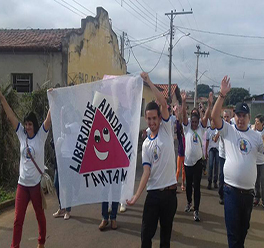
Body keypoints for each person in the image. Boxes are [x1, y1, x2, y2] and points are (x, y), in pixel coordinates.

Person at [211, 76, 264, 248]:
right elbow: (214, 116)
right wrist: (222, 95)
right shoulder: (229, 130)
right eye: (238, 115)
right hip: (231, 192)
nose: (241, 119)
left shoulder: (256, 137)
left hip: (248, 195)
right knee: (233, 235)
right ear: (234, 117)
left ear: (249, 117)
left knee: (243, 231)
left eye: (244, 115)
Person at [127, 72, 177, 248]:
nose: (151, 122)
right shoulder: (146, 144)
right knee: (146, 235)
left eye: (154, 118)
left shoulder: (167, 129)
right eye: (148, 118)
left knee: (165, 238)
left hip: (170, 194)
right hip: (153, 194)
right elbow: (146, 172)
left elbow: (163, 102)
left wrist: (148, 81)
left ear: (159, 118)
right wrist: (135, 196)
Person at [0, 90, 51, 248]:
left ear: (35, 125)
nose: (28, 127)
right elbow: (11, 116)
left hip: (35, 186)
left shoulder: (40, 136)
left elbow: (49, 119)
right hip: (22, 185)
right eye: (26, 124)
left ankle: (41, 242)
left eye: (30, 124)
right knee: (17, 219)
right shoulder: (22, 134)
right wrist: (2, 98)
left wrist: (53, 97)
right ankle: (15, 246)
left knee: (39, 216)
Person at [182, 91, 212, 222]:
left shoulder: (201, 128)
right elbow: (183, 115)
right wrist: (183, 102)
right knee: (188, 185)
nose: (194, 124)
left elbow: (205, 118)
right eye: (192, 121)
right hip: (188, 162)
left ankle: (196, 210)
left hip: (198, 163)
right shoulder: (186, 127)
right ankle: (189, 203)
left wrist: (210, 105)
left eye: (196, 122)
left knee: (197, 187)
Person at [218, 109, 232, 204]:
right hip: (222, 155)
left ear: (230, 117)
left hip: (230, 156)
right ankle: (221, 195)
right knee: (222, 175)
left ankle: (228, 195)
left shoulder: (233, 128)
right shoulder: (221, 126)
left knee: (230, 176)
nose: (226, 118)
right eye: (224, 117)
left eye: (227, 117)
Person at [252, 114, 264, 207]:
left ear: (262, 123)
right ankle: (256, 198)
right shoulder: (253, 132)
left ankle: (263, 199)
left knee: (262, 181)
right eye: (255, 121)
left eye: (258, 122)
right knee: (256, 181)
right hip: (254, 161)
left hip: (262, 162)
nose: (256, 123)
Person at [205, 119, 220, 190]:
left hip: (217, 149)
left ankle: (215, 181)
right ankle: (209, 181)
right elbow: (207, 141)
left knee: (216, 165)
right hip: (211, 149)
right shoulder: (208, 130)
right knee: (210, 165)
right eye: (212, 122)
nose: (213, 123)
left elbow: (216, 139)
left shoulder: (218, 130)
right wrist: (206, 151)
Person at [174, 105, 186, 191]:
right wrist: (177, 117)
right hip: (180, 153)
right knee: (178, 170)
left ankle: (182, 183)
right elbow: (178, 127)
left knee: (184, 170)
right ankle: (175, 183)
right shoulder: (179, 135)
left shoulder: (187, 136)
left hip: (186, 155)